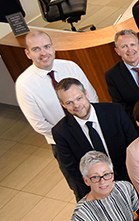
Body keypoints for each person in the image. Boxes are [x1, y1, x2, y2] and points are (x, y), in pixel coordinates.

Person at [15, 31, 99, 193]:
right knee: (83, 188)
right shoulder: (24, 84)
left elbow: (92, 98)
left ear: (53, 47)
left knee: (107, 177)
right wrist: (71, 136)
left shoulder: (70, 66)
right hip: (63, 144)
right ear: (28, 53)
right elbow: (39, 124)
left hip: (92, 131)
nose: (43, 53)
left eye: (47, 47)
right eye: (36, 49)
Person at [52, 78, 137, 201]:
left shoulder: (115, 111)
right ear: (62, 104)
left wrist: (120, 181)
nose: (76, 105)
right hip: (96, 188)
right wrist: (102, 187)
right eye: (69, 102)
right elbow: (72, 170)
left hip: (128, 174)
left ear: (86, 93)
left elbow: (133, 145)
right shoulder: (61, 132)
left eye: (79, 98)